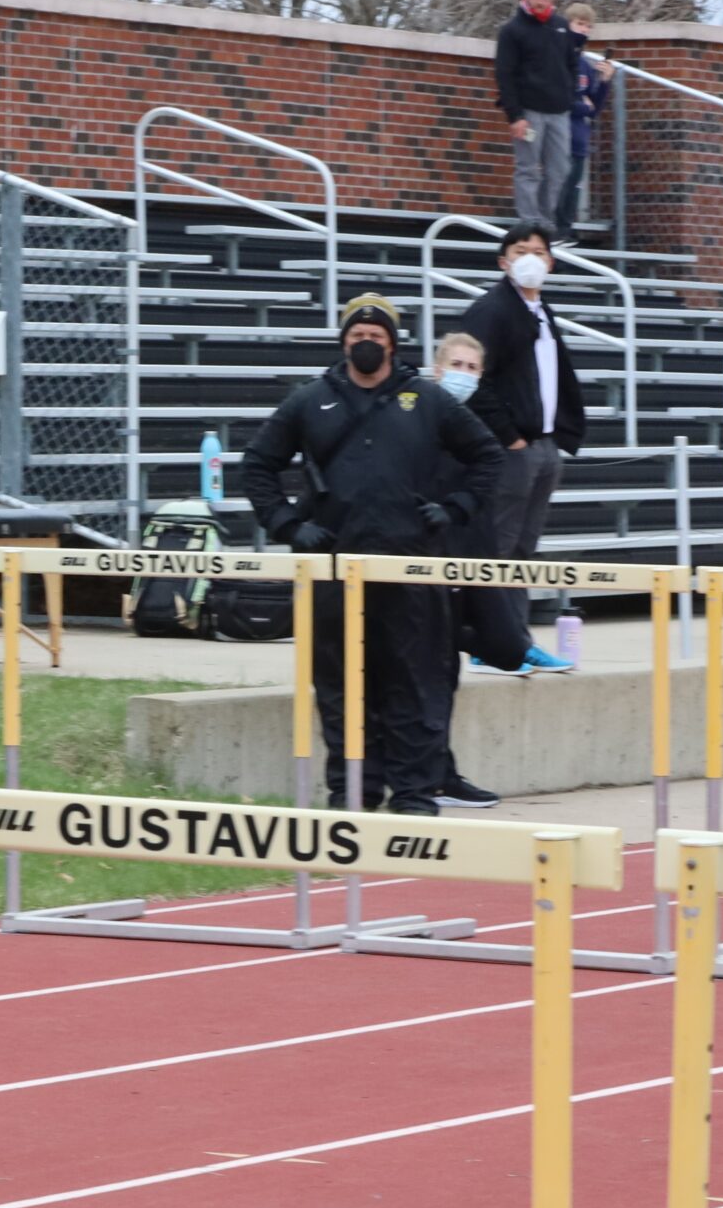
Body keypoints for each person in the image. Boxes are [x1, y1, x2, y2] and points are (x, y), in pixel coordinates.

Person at [241, 295, 502, 815]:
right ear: (343, 342)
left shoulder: (426, 401)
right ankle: (353, 794)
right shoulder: (310, 400)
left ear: (392, 344)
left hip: (409, 572)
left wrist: (454, 508)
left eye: (376, 338)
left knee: (415, 688)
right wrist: (290, 526)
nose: (366, 344)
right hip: (335, 574)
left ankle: (413, 796)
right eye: (357, 337)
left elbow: (486, 456)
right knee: (341, 693)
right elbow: (257, 465)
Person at [456, 224, 584, 678]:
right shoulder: (493, 310)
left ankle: (517, 641)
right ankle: (486, 644)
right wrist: (509, 435)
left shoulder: (541, 312)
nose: (531, 258)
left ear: (550, 263)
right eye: (520, 250)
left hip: (544, 444)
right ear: (503, 261)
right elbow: (474, 376)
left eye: (539, 251)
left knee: (522, 552)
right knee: (499, 548)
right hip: (512, 448)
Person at [427, 333, 536, 810]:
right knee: (437, 675)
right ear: (437, 369)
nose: (464, 374)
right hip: (436, 564)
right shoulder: (421, 425)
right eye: (456, 364)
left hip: (479, 565)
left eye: (473, 368)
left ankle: (451, 634)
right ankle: (438, 776)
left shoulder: (478, 431)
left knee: (511, 648)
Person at [495, 0, 581, 230]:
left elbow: (572, 63)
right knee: (528, 169)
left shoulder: (562, 27)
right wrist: (515, 115)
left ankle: (544, 220)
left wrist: (570, 94)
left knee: (559, 170)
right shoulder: (512, 30)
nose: (540, 1)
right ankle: (529, 221)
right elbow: (504, 74)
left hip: (559, 112)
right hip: (529, 114)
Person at [554, 3, 615, 246]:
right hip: (558, 134)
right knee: (559, 183)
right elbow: (560, 98)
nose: (584, 30)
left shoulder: (585, 67)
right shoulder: (557, 58)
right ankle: (555, 229)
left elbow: (595, 107)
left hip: (580, 139)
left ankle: (566, 230)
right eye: (580, 24)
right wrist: (583, 105)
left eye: (588, 26)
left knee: (574, 187)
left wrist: (605, 82)